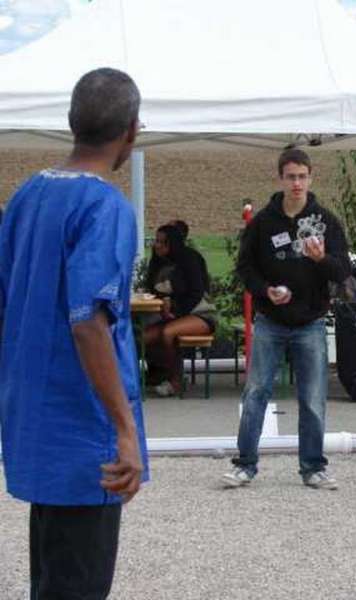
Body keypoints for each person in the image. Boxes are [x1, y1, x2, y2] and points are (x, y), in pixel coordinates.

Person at [0, 68, 147, 599]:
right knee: (78, 586)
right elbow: (89, 321)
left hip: (37, 427)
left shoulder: (25, 198)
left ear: (71, 123)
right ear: (132, 130)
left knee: (53, 579)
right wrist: (124, 430)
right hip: (85, 434)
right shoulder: (105, 207)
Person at [223, 148, 350, 490]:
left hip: (310, 322)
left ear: (311, 177)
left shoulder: (326, 221)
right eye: (291, 176)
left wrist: (322, 259)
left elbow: (343, 270)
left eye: (302, 176)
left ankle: (313, 467)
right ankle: (245, 465)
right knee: (256, 394)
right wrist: (266, 290)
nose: (297, 183)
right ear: (281, 178)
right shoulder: (264, 222)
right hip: (270, 321)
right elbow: (245, 269)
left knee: (312, 397)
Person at [143, 223, 216, 396]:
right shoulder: (157, 262)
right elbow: (152, 289)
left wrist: (175, 309)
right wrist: (163, 303)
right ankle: (155, 374)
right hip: (170, 314)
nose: (157, 245)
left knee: (168, 333)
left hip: (200, 313)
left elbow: (197, 292)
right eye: (156, 241)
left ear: (172, 243)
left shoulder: (190, 259)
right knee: (143, 337)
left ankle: (175, 381)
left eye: (162, 242)